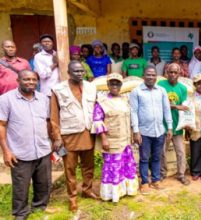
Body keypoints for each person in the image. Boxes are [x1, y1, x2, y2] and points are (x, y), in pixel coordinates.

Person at [0, 70, 51, 220]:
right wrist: (6, 151)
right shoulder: (6, 100)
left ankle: (39, 207)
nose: (30, 82)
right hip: (20, 152)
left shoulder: (43, 99)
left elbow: (47, 122)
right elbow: (1, 125)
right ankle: (21, 213)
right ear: (18, 80)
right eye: (26, 79)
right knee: (21, 186)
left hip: (43, 149)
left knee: (43, 183)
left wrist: (52, 142)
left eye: (34, 79)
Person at [51, 60, 98, 212]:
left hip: (87, 133)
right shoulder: (58, 89)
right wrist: (57, 137)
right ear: (68, 73)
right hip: (68, 135)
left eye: (81, 71)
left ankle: (87, 189)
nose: (79, 74)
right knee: (70, 169)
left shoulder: (91, 87)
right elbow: (54, 116)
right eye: (76, 71)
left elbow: (97, 109)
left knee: (88, 165)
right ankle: (72, 198)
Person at [91, 73, 138, 202]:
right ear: (108, 85)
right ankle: (112, 194)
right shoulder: (102, 102)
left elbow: (129, 118)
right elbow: (97, 121)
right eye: (112, 83)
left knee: (126, 165)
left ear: (121, 85)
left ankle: (126, 190)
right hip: (112, 140)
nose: (115, 86)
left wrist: (133, 134)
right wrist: (104, 139)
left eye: (117, 83)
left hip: (125, 139)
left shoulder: (125, 100)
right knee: (113, 167)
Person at [130, 66, 173, 194]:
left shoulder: (161, 90)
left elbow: (166, 109)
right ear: (143, 76)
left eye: (153, 75)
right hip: (144, 132)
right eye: (148, 75)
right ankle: (144, 182)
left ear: (156, 76)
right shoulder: (136, 92)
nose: (151, 77)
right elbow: (133, 111)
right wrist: (136, 131)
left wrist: (169, 127)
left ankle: (156, 180)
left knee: (157, 157)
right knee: (144, 158)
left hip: (159, 130)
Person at [159, 63, 191, 185]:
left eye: (175, 72)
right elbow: (159, 103)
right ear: (166, 73)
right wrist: (176, 106)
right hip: (163, 126)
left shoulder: (182, 88)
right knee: (162, 151)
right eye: (170, 72)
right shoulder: (161, 85)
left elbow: (185, 107)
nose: (172, 75)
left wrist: (187, 125)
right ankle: (162, 173)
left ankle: (181, 175)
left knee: (181, 152)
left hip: (177, 126)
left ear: (179, 74)